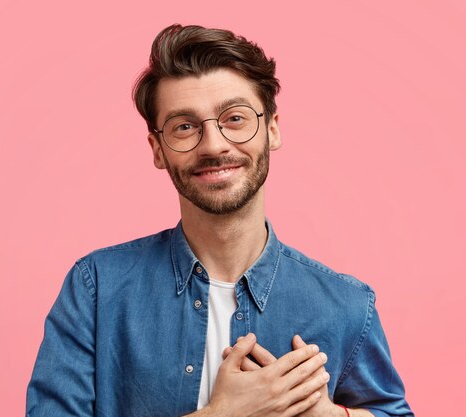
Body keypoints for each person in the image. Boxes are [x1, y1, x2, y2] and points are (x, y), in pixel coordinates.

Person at [26, 24, 413, 417]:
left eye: (235, 118)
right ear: (158, 149)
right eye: (185, 127)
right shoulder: (97, 290)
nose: (213, 145)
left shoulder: (346, 304)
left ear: (272, 129)